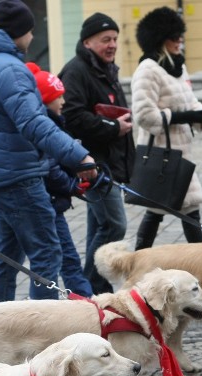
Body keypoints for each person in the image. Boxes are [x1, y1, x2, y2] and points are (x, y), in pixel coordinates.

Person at [0, 0, 96, 302]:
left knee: (7, 257)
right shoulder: (10, 68)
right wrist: (78, 156)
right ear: (17, 32)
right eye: (30, 30)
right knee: (47, 255)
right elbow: (34, 123)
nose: (32, 37)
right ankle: (39, 332)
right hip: (20, 175)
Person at [130, 6, 202, 250]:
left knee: (184, 209)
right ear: (160, 40)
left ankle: (194, 260)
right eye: (174, 37)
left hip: (181, 151)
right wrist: (182, 116)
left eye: (180, 36)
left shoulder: (178, 67)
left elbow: (190, 102)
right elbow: (144, 115)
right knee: (161, 210)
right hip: (162, 154)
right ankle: (141, 260)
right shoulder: (147, 70)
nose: (180, 41)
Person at [59, 13, 132, 294]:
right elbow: (72, 117)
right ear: (87, 42)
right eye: (105, 40)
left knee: (100, 226)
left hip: (108, 161)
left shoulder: (105, 68)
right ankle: (91, 285)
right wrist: (113, 126)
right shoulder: (76, 71)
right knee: (114, 225)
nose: (112, 44)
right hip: (92, 163)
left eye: (114, 38)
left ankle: (89, 287)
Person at [27, 62, 93, 298]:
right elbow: (52, 168)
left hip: (50, 201)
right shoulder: (45, 126)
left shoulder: (51, 121)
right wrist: (72, 186)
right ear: (44, 100)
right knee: (66, 259)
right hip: (50, 203)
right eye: (58, 97)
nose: (63, 102)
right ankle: (88, 305)